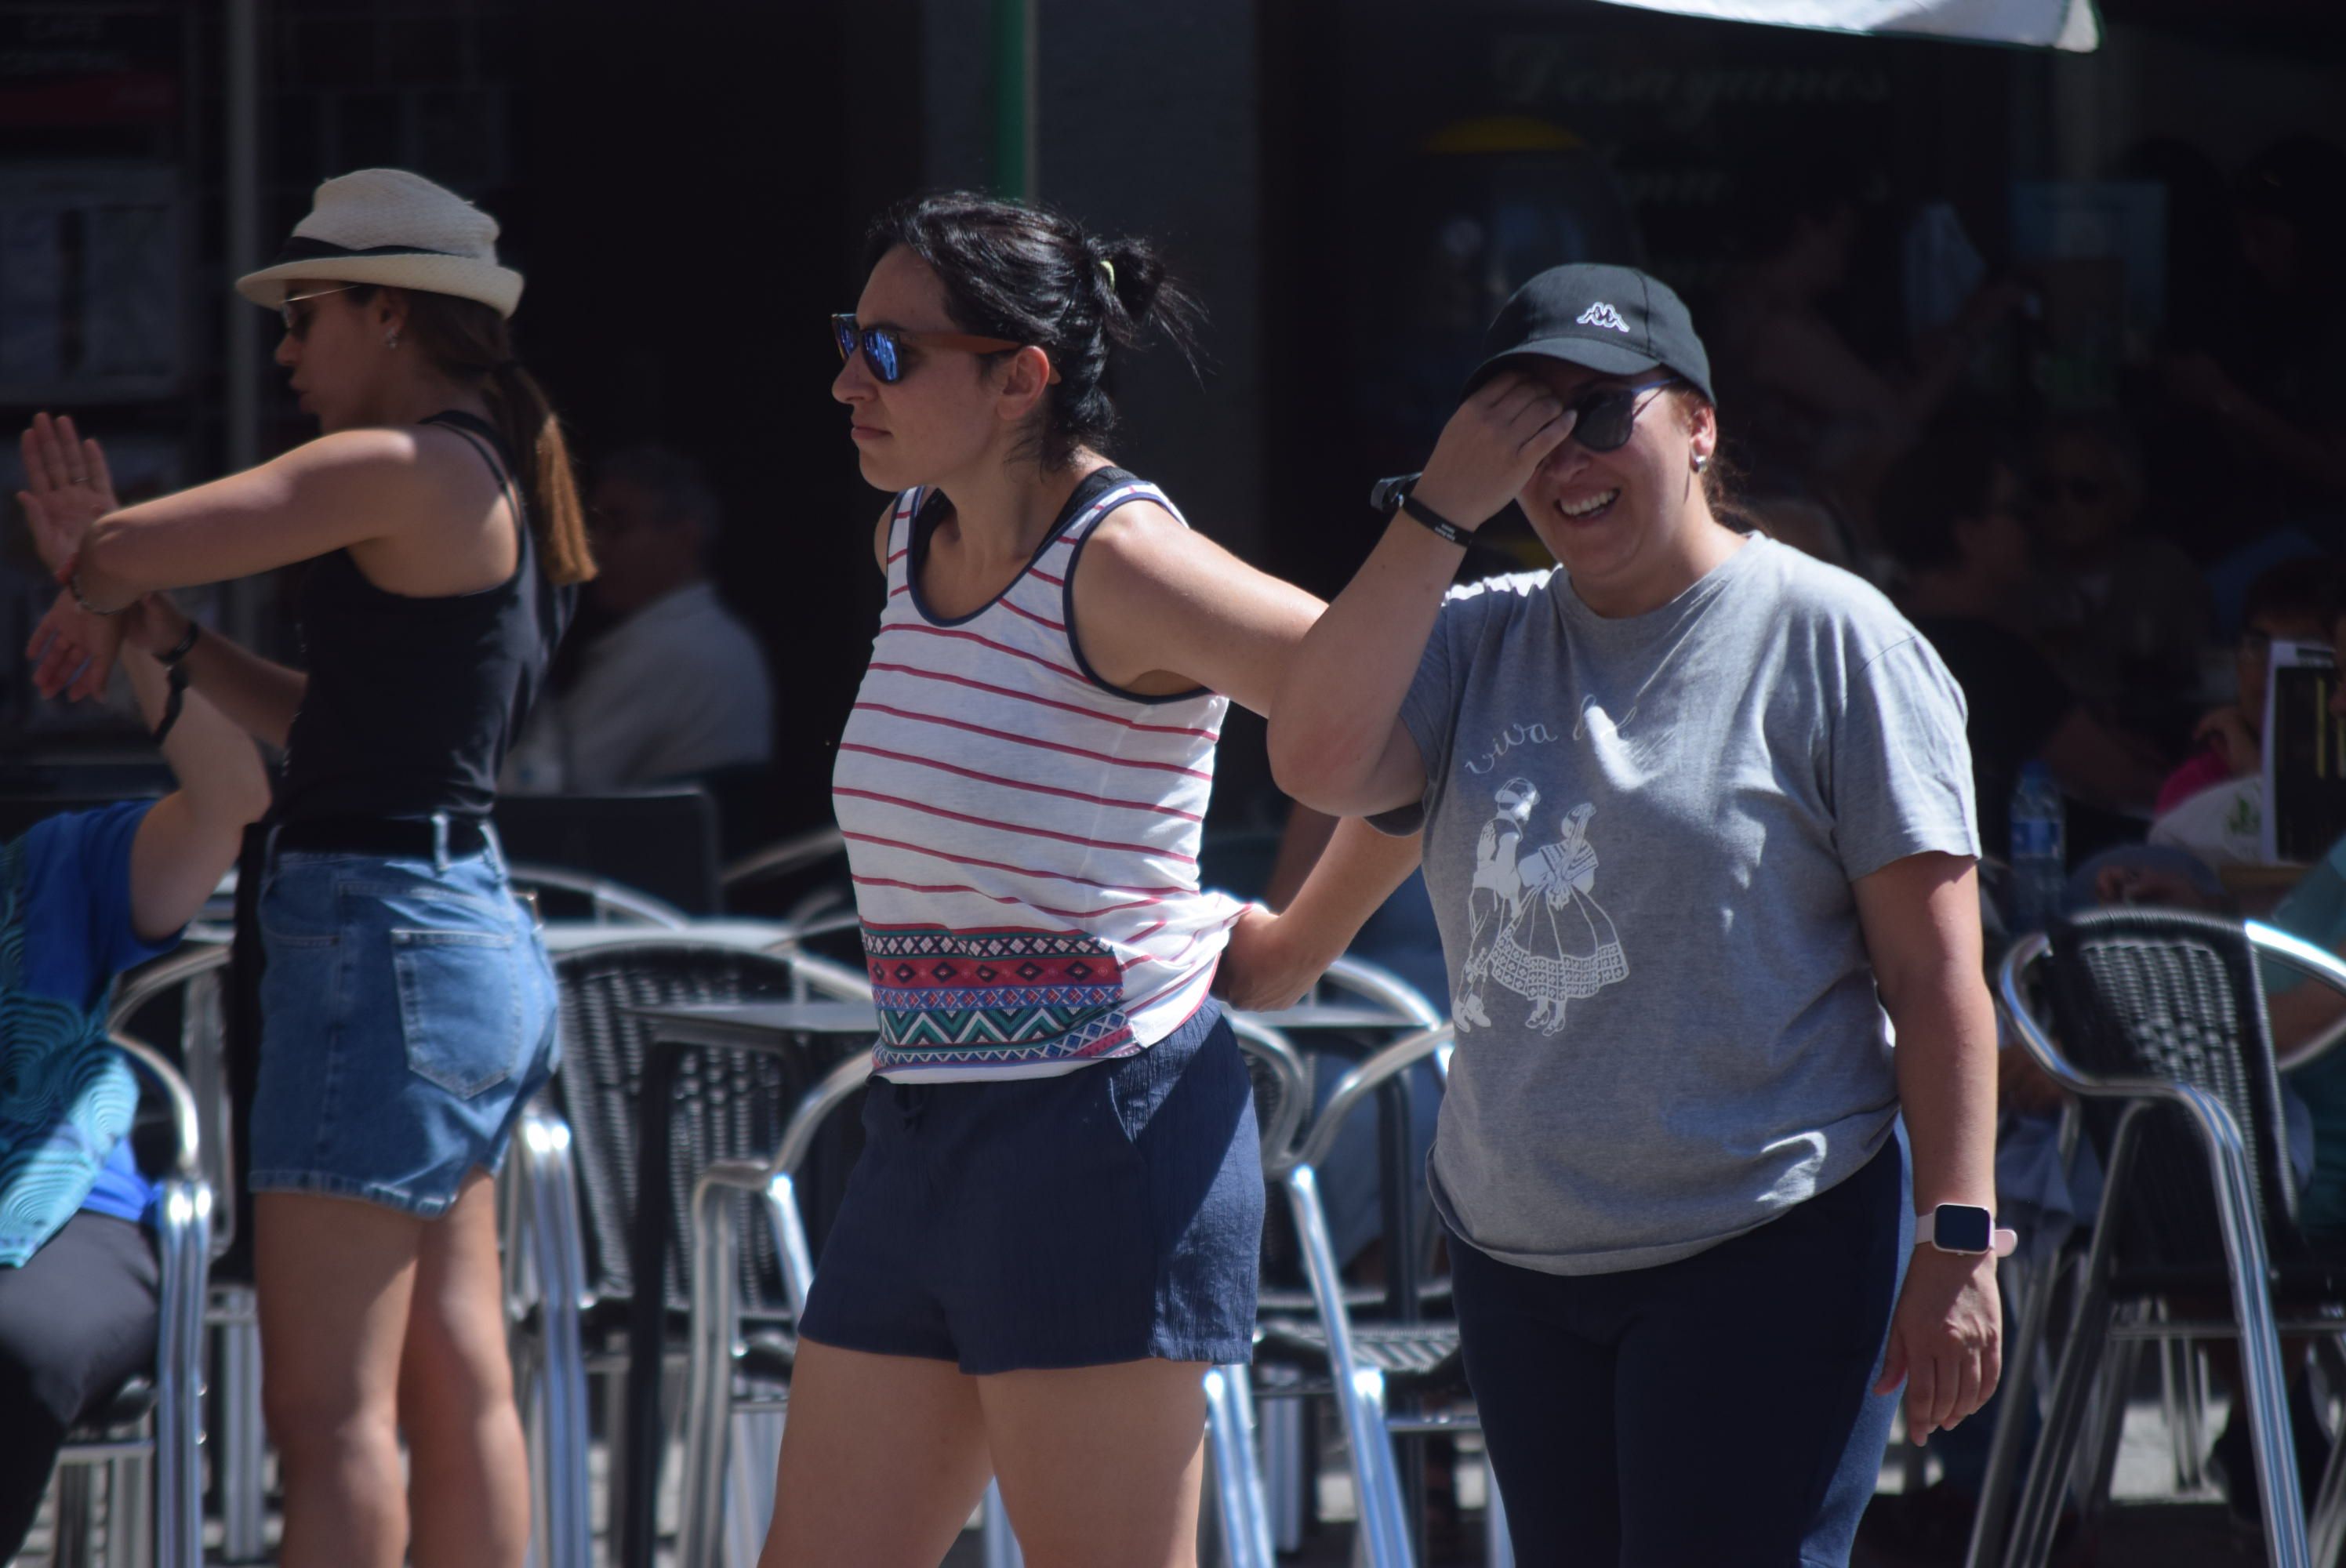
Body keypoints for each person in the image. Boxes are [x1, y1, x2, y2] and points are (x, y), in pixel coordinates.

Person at [1269, 263, 2003, 1565]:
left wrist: (1956, 1238)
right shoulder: (1469, 635)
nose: (1567, 456)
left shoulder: (1831, 641)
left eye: (1603, 412)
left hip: (1764, 1232)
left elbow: (1936, 976)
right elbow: (1318, 762)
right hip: (1519, 1252)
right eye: (1526, 424)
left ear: (1700, 424)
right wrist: (1437, 510)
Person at [760, 193, 1422, 1568]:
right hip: (920, 1123)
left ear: (1021, 379)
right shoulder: (906, 542)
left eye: (888, 351)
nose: (843, 380)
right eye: (847, 338)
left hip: (1101, 1126)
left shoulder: (1122, 562)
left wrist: (1298, 946)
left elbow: (1409, 724)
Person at [25, 168, 584, 1568]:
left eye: (304, 315)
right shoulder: (476, 471)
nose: (282, 353)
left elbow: (132, 542)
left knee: (327, 1410)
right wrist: (147, 626)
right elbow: (319, 723)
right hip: (455, 933)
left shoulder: (403, 463)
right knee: (455, 1382)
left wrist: (93, 572)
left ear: (388, 311)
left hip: (381, 943)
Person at [0, 462, 270, 1559]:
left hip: (67, 1215)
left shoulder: (55, 865)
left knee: (13, 1345)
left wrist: (118, 603)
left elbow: (231, 800)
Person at [1876, 421, 2169, 854]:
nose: (2035, 526)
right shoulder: (1990, 659)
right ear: (1968, 531)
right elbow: (2123, 781)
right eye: (2018, 510)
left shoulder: (1880, 633)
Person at [503, 442, 774, 793]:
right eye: (593, 527)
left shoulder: (670, 646)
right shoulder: (720, 634)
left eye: (617, 525)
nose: (595, 546)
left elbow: (546, 786)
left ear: (685, 535)